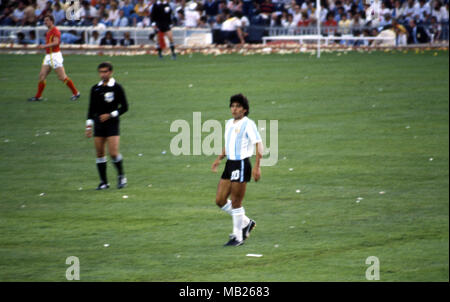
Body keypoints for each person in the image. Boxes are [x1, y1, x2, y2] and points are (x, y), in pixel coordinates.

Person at [211, 94, 263, 247]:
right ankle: (246, 223)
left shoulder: (248, 124)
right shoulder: (228, 123)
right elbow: (228, 144)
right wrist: (219, 159)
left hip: (241, 164)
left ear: (245, 110)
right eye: (232, 106)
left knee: (236, 202)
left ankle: (238, 237)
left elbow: (258, 145)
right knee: (220, 200)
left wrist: (257, 166)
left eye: (238, 106)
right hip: (229, 164)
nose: (234, 109)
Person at [85, 62, 128, 190]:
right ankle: (104, 182)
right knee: (99, 154)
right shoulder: (95, 89)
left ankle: (121, 176)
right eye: (101, 72)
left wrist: (111, 115)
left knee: (113, 153)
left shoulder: (116, 88)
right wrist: (88, 125)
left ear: (111, 72)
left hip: (112, 123)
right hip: (98, 123)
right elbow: (91, 109)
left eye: (105, 72)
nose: (103, 74)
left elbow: (125, 107)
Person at [28, 15, 80, 102]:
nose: (45, 22)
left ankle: (76, 93)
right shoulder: (49, 31)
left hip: (55, 56)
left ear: (52, 21)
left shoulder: (55, 31)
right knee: (42, 76)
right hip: (48, 56)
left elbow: (56, 42)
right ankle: (38, 96)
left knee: (62, 77)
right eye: (44, 20)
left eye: (47, 20)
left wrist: (44, 46)